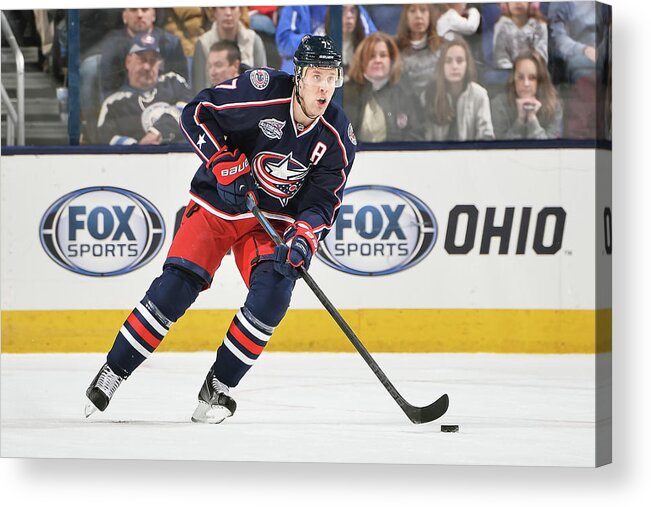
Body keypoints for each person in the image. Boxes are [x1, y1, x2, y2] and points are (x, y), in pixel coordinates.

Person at [84, 35, 357, 424]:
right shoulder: (261, 90)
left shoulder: (337, 136)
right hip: (219, 205)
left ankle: (218, 386)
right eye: (316, 76)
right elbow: (195, 113)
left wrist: (304, 236)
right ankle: (114, 371)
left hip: (271, 222)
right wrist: (221, 161)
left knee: (275, 291)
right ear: (298, 75)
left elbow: (323, 201)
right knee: (175, 288)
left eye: (332, 78)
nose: (325, 87)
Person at [96, 32, 193, 145]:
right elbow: (105, 139)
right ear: (128, 61)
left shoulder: (174, 82)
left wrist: (157, 132)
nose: (147, 67)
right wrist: (139, 149)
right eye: (142, 60)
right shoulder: (113, 104)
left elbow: (189, 111)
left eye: (152, 61)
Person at [345, 32, 423, 142]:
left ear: (391, 60)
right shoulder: (346, 93)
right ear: (362, 61)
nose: (378, 60)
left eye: (383, 55)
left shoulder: (405, 93)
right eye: (371, 56)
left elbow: (416, 133)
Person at [99, 8, 188, 99]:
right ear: (124, 16)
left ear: (153, 15)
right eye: (133, 10)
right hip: (126, 105)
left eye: (145, 10)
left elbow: (182, 86)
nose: (139, 15)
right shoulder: (112, 45)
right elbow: (108, 90)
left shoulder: (171, 43)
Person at [424, 38, 494, 141]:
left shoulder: (480, 95)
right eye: (448, 61)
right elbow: (425, 137)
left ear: (467, 64)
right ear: (442, 66)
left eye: (460, 61)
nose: (454, 66)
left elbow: (486, 136)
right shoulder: (431, 94)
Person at [275, 5, 376, 74]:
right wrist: (318, 43)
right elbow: (284, 43)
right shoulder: (298, 6)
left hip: (348, 71)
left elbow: (373, 43)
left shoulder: (352, 6)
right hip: (307, 66)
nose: (349, 15)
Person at [192, 6, 267, 93]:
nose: (228, 13)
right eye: (222, 8)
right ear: (214, 12)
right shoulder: (203, 43)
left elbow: (262, 84)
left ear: (240, 11)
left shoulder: (254, 39)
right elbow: (199, 89)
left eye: (232, 8)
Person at [491, 50, 562, 140]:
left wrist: (532, 120)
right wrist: (520, 121)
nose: (526, 83)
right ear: (513, 79)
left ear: (540, 81)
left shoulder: (554, 106)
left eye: (532, 78)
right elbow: (499, 149)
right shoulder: (499, 104)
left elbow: (551, 150)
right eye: (520, 77)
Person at [395, 3, 443, 106]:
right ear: (405, 16)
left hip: (437, 106)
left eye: (423, 10)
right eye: (412, 11)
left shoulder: (442, 46)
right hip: (406, 107)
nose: (418, 16)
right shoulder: (394, 47)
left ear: (430, 14)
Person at [325, 5, 375, 80]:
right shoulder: (322, 43)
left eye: (352, 11)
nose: (349, 16)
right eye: (343, 11)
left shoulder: (365, 45)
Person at [493, 2, 548, 69]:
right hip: (507, 72)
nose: (518, 2)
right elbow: (500, 57)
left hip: (533, 70)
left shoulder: (539, 25)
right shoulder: (501, 26)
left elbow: (541, 56)